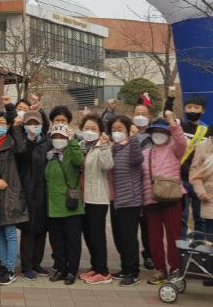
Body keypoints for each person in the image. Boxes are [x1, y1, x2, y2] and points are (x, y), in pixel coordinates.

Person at [0, 112, 28, 286]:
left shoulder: (13, 143)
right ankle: (3, 266)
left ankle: (10, 269)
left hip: (10, 193)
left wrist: (17, 128)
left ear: (8, 126)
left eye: (2, 123)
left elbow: (23, 149)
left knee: (10, 233)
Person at [141, 113, 186, 285]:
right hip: (151, 199)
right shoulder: (145, 153)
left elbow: (181, 141)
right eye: (155, 132)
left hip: (172, 198)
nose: (158, 135)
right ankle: (160, 268)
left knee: (174, 235)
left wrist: (172, 123)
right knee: (154, 236)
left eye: (162, 131)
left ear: (168, 134)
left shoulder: (175, 149)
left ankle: (175, 268)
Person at [165, 91, 208, 238]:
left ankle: (200, 247)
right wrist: (170, 99)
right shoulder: (180, 125)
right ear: (184, 109)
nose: (192, 110)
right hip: (180, 179)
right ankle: (182, 246)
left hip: (199, 180)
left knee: (200, 217)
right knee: (181, 217)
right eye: (189, 107)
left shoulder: (207, 130)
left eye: (196, 107)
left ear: (203, 110)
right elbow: (168, 115)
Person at [45, 124, 83, 285]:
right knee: (57, 241)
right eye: (55, 136)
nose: (58, 139)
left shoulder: (71, 153)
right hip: (53, 206)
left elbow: (79, 161)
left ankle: (72, 271)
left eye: (62, 137)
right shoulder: (50, 155)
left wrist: (73, 142)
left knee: (72, 242)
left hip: (70, 205)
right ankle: (61, 269)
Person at [108, 115, 144, 287]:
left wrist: (134, 138)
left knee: (129, 238)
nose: (116, 132)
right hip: (115, 200)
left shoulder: (132, 146)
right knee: (119, 236)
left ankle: (133, 272)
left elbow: (138, 159)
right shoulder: (113, 148)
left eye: (120, 129)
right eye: (114, 129)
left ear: (128, 131)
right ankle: (124, 267)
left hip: (130, 200)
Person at [78, 115, 114, 285]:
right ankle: (95, 266)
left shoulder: (102, 146)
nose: (89, 131)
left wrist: (105, 146)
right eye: (87, 128)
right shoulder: (81, 146)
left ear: (100, 131)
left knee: (97, 235)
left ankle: (103, 272)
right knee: (88, 235)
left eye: (93, 128)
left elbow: (107, 165)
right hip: (83, 198)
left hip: (97, 198)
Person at [18, 111, 50, 280]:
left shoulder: (47, 142)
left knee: (42, 229)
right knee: (29, 230)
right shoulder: (22, 141)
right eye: (29, 123)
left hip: (44, 191)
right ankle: (26, 266)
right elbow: (23, 156)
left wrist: (41, 110)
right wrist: (29, 140)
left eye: (36, 123)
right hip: (27, 191)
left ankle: (37, 263)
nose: (33, 126)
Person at [132, 103, 156, 270]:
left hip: (148, 186)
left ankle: (149, 255)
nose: (140, 116)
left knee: (149, 225)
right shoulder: (126, 134)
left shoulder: (155, 136)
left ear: (149, 117)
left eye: (144, 113)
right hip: (130, 186)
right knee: (130, 227)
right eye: (137, 113)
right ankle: (130, 259)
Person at [190, 130, 213, 287]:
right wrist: (201, 192)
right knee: (211, 239)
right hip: (210, 199)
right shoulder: (203, 146)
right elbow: (195, 173)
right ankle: (210, 273)